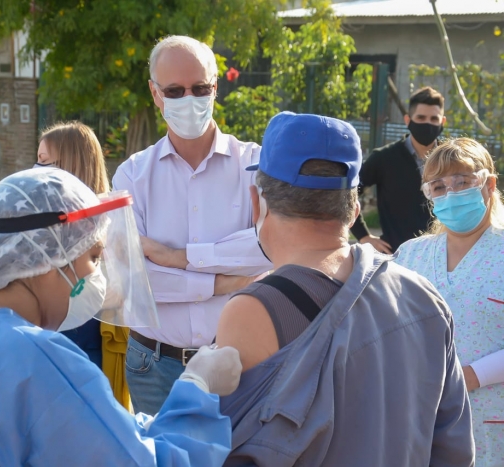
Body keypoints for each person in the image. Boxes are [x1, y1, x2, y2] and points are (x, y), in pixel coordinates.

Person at [0, 168, 242, 466]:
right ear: (49, 254)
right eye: (94, 258)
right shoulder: (31, 355)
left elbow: (99, 434)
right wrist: (198, 389)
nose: (97, 276)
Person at [216, 112, 474, 466]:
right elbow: (455, 451)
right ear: (354, 209)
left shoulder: (254, 311)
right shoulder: (423, 297)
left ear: (256, 201)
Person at [112, 35, 272, 415]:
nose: (189, 99)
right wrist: (222, 281)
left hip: (240, 360)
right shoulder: (132, 176)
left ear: (215, 88)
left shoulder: (255, 165)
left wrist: (177, 257)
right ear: (155, 94)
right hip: (154, 365)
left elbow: (268, 251)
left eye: (199, 88)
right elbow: (133, 280)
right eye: (174, 90)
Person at [395, 138, 504, 466]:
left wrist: (471, 375)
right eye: (438, 186)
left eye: (463, 182)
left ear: (489, 184)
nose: (451, 193)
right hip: (417, 413)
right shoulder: (411, 254)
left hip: (490, 418)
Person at [37, 121, 130, 407]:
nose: (35, 172)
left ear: (69, 165)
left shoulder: (109, 218)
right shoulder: (41, 216)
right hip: (47, 342)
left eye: (43, 162)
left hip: (85, 344)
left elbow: (119, 292)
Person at [351, 86, 446, 252]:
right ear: (408, 120)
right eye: (421, 117)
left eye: (434, 119)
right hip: (396, 256)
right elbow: (348, 192)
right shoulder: (384, 158)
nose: (427, 124)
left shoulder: (452, 159)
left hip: (444, 255)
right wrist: (363, 235)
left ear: (442, 122)